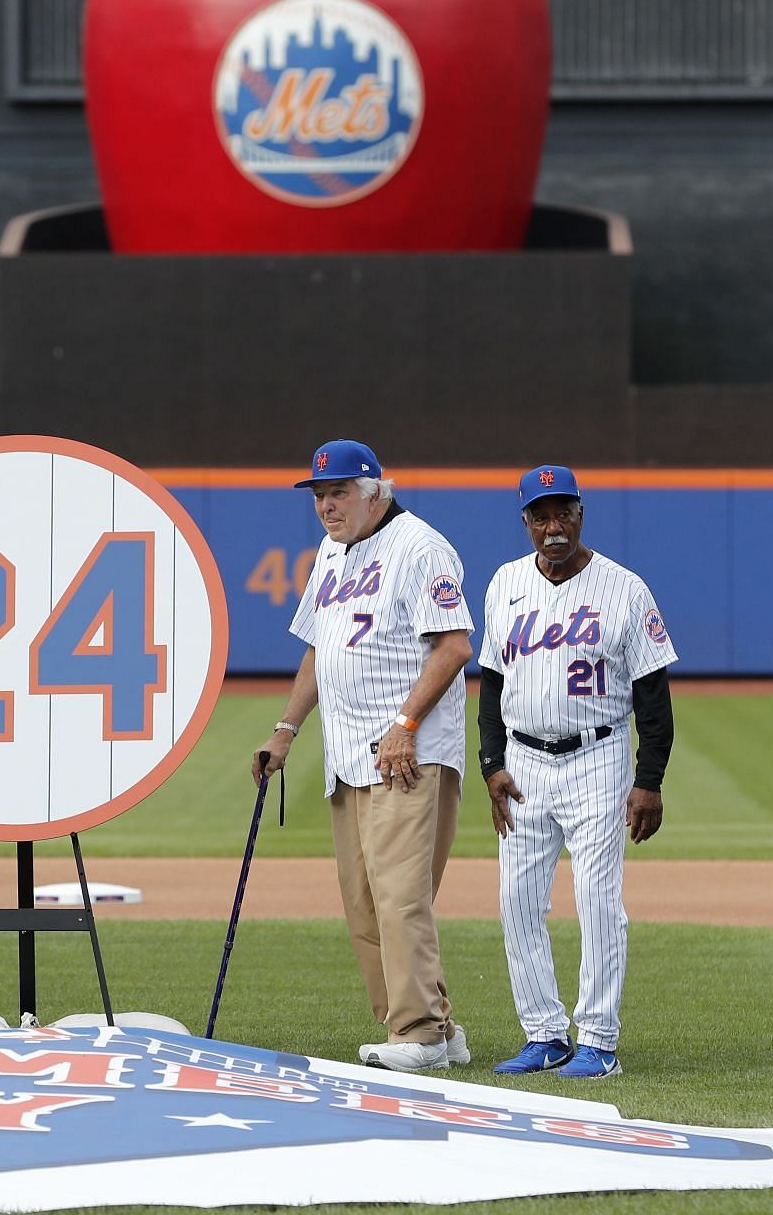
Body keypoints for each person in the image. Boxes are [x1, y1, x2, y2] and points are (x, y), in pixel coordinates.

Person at [255, 440, 474, 1072]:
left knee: (402, 895)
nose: (327, 505)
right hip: (346, 754)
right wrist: (286, 730)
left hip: (408, 753)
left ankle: (420, 1035)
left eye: (340, 492)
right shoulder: (329, 554)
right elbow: (320, 650)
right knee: (364, 904)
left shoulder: (421, 548)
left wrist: (405, 724)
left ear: (374, 490)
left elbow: (454, 648)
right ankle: (432, 1027)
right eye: (320, 494)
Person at [477, 465, 678, 1079]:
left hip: (599, 758)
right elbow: (491, 681)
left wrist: (649, 779)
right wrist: (491, 763)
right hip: (525, 762)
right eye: (540, 515)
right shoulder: (505, 583)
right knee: (517, 901)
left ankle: (598, 1039)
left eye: (563, 512)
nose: (553, 526)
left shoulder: (625, 588)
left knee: (597, 900)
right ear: (526, 522)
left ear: (581, 513)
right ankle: (544, 1034)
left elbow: (653, 695)